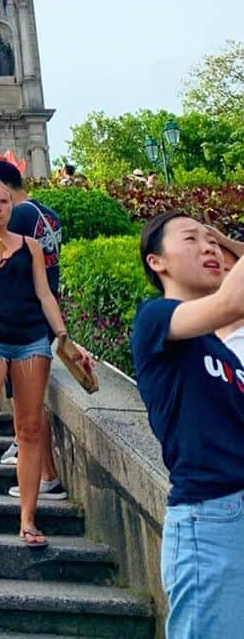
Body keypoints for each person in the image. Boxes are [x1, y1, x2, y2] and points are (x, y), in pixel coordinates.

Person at [0, 178, 88, 551]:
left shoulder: (30, 246)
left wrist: (63, 336)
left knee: (29, 427)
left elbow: (44, 293)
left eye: (4, 202)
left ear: (12, 206)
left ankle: (27, 518)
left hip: (29, 340)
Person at [131, 212, 244, 638]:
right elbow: (233, 301)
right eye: (192, 238)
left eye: (214, 241)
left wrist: (225, 242)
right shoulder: (155, 318)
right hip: (210, 521)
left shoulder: (225, 353)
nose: (210, 247)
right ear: (156, 261)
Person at [0, 158, 67, 498]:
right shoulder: (49, 214)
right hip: (45, 313)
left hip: (23, 317)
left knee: (26, 404)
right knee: (30, 401)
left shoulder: (18, 216)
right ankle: (35, 463)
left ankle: (46, 475)